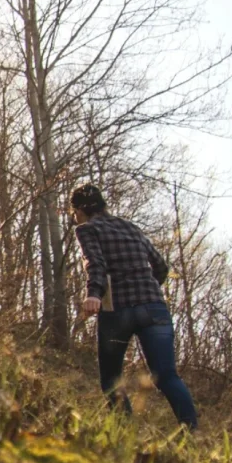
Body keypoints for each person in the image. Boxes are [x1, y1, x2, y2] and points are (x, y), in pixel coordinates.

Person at [71, 183, 197, 429]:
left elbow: (95, 263)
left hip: (118, 310)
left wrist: (93, 293)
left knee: (111, 378)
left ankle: (126, 433)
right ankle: (190, 431)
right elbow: (160, 266)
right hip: (154, 307)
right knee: (166, 375)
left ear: (79, 210)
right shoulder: (131, 227)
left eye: (74, 213)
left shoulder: (86, 229)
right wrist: (148, 288)